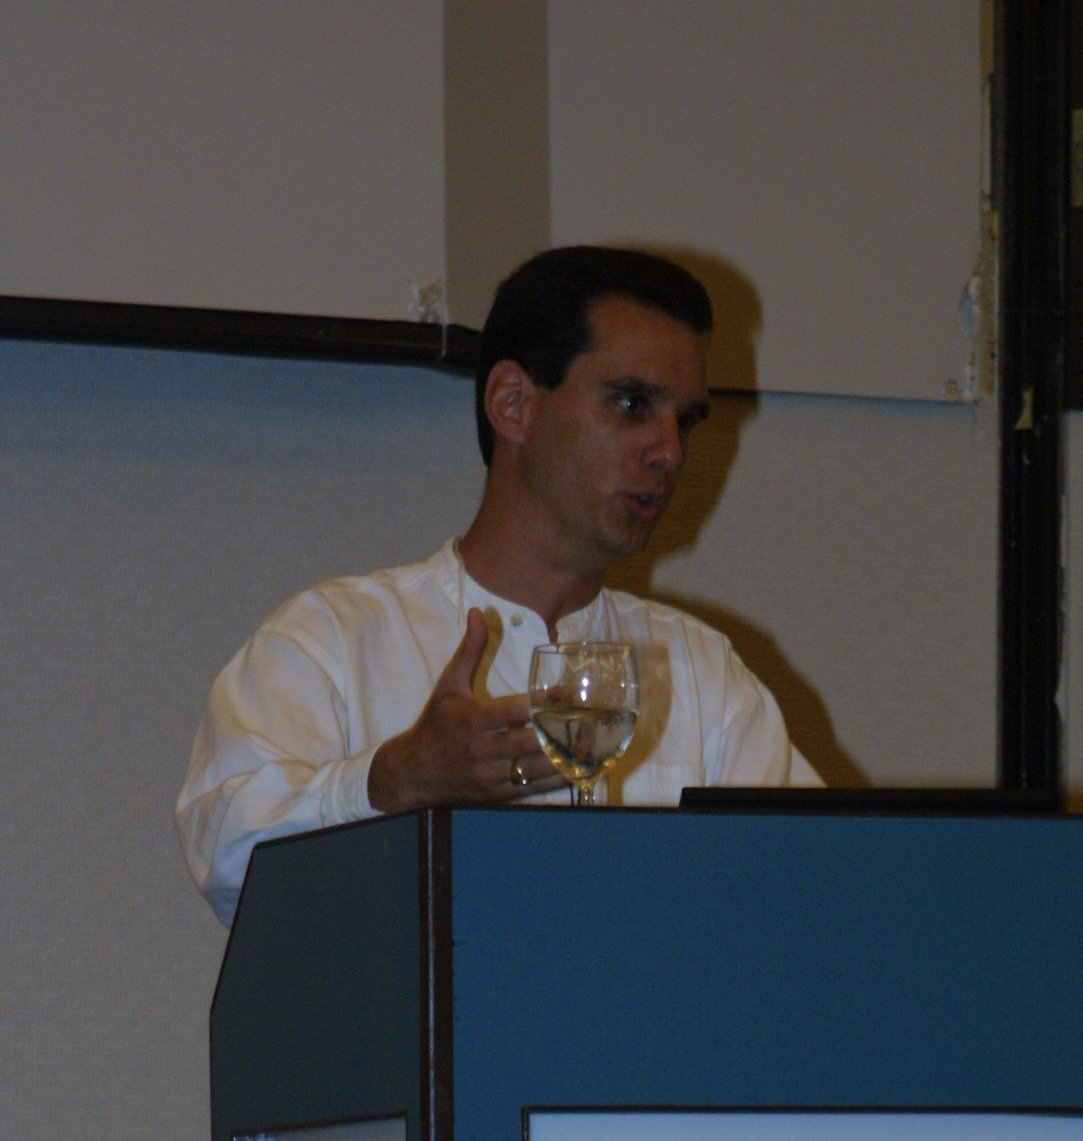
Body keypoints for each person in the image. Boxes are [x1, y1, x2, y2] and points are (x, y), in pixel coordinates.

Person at [176, 245, 820, 923]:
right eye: (632, 404)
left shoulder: (703, 676)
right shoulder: (332, 640)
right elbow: (226, 860)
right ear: (513, 404)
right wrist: (390, 783)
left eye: (684, 420)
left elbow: (820, 886)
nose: (670, 451)